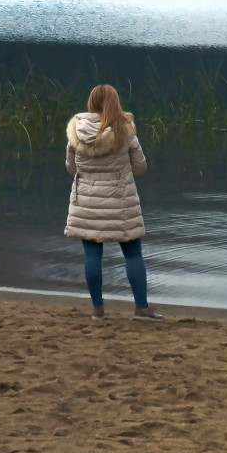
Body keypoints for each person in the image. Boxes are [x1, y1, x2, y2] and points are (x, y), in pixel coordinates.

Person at [64, 84, 164, 321]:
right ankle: (141, 308)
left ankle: (98, 310)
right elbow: (140, 167)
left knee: (91, 255)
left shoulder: (75, 131)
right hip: (120, 202)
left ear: (91, 102)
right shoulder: (125, 131)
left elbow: (71, 168)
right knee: (132, 253)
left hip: (86, 201)